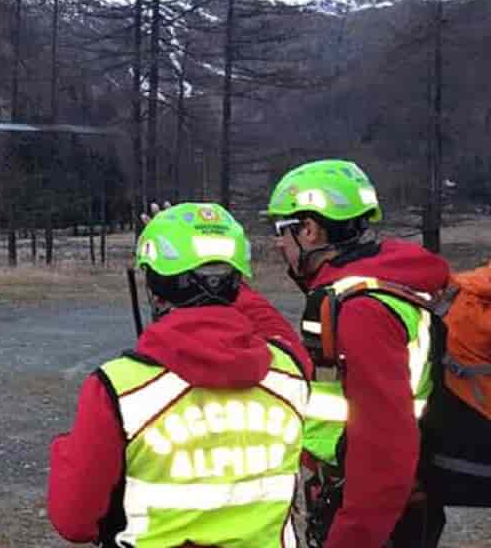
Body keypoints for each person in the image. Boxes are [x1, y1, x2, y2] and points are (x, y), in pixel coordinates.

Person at [49, 202, 310, 547]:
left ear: (155, 290)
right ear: (237, 282)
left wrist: (66, 451)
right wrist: (220, 274)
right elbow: (274, 330)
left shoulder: (118, 388)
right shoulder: (290, 371)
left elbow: (75, 522)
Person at [266, 159, 450, 548]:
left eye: (281, 230)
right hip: (390, 504)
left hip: (378, 515)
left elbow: (384, 450)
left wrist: (351, 536)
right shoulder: (377, 282)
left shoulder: (361, 310)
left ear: (309, 230)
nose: (277, 243)